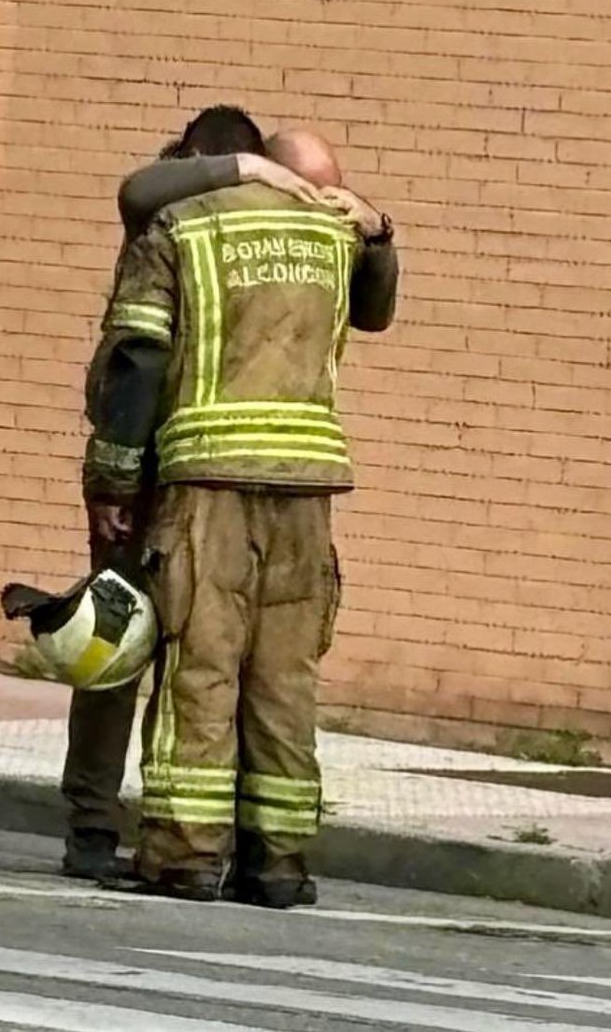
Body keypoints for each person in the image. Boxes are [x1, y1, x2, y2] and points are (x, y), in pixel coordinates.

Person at [83, 106, 398, 907]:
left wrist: (116, 479)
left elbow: (140, 354)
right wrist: (377, 227)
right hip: (308, 486)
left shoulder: (181, 226)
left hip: (208, 481)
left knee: (203, 665)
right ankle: (279, 862)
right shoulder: (338, 233)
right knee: (285, 677)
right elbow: (375, 312)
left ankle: (187, 855)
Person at [62, 129, 320, 881]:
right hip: (169, 476)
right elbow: (135, 360)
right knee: (132, 654)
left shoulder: (235, 231)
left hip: (189, 476)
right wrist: (113, 482)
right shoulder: (172, 213)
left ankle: (123, 833)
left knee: (154, 658)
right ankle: (105, 829)